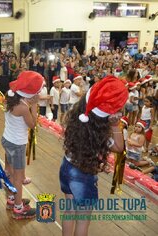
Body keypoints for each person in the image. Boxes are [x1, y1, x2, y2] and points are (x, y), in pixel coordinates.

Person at [59, 76, 128, 236]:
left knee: (69, 211)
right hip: (83, 175)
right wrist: (115, 125)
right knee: (83, 220)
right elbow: (119, 147)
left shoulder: (76, 115)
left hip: (67, 166)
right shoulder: (101, 130)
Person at [2, 71, 44, 220]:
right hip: (16, 144)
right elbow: (33, 125)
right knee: (18, 177)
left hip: (7, 139)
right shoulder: (23, 107)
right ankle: (18, 208)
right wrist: (34, 105)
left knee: (13, 174)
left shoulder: (11, 98)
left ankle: (12, 199)